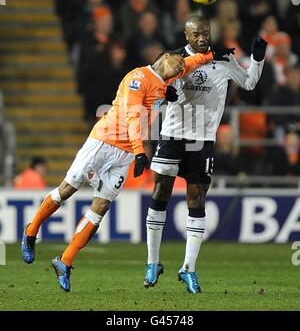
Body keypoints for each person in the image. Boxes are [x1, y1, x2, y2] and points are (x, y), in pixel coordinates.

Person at [21, 47, 231, 292]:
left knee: (101, 207)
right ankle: (32, 230)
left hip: (124, 154)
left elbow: (193, 62)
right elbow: (133, 117)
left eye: (180, 67)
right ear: (164, 57)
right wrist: (141, 151)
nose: (179, 68)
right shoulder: (138, 78)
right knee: (67, 190)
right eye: (176, 64)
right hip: (103, 141)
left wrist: (212, 54)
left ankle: (64, 262)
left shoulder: (169, 77)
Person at [144, 15, 268, 294]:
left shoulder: (223, 60)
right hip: (173, 136)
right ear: (186, 36)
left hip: (203, 139)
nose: (202, 38)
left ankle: (188, 268)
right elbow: (152, 88)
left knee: (197, 198)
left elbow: (248, 83)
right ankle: (152, 262)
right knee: (160, 192)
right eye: (196, 34)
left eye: (206, 33)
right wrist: (166, 92)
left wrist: (258, 59)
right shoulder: (173, 59)